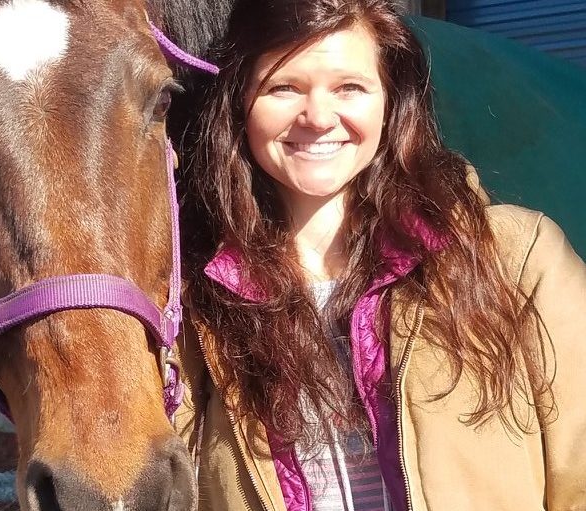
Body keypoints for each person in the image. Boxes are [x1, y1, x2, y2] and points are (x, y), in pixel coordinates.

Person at [172, 0, 586, 510]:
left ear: (391, 99)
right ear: (239, 103)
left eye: (349, 87)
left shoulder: (520, 260)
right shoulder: (199, 305)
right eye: (284, 87)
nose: (319, 117)